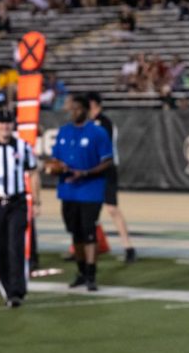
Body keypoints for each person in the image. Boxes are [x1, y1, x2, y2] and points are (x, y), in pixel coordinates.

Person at [0, 110, 40, 308]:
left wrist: (36, 201)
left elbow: (34, 172)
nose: (5, 127)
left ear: (13, 125)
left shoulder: (22, 146)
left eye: (8, 123)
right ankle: (7, 287)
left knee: (16, 246)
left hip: (17, 203)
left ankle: (17, 291)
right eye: (1, 123)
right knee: (0, 248)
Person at [49, 95, 113, 291]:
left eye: (77, 108)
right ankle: (81, 271)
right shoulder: (64, 131)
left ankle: (92, 274)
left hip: (90, 190)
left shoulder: (98, 132)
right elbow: (55, 159)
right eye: (71, 109)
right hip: (68, 191)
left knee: (89, 232)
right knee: (75, 233)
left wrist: (85, 172)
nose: (73, 112)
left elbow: (108, 161)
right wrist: (55, 167)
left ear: (85, 110)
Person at [87, 92, 136, 263]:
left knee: (112, 209)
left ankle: (128, 246)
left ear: (94, 104)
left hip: (105, 169)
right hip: (91, 171)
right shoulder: (87, 123)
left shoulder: (103, 122)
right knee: (87, 210)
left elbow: (102, 147)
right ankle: (85, 245)